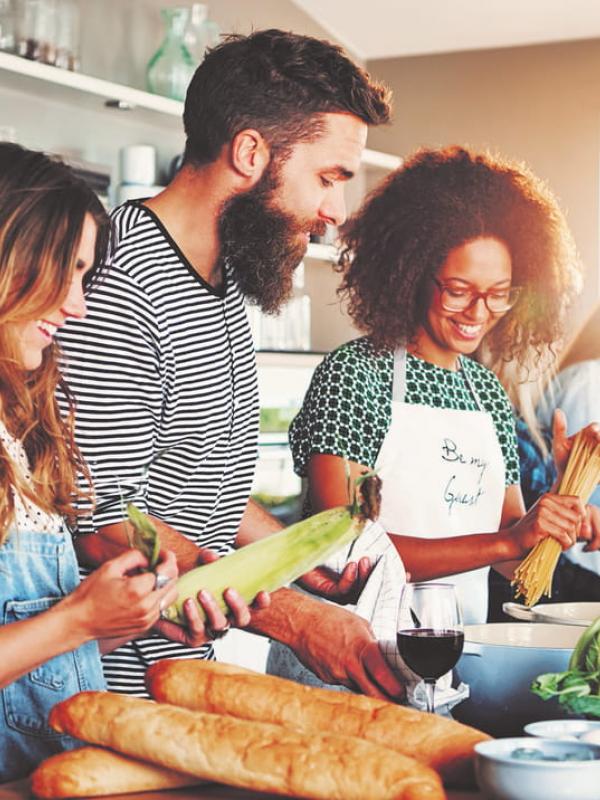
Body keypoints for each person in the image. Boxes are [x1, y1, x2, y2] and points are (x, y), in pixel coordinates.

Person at [57, 29, 403, 701]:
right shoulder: (120, 284)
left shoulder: (219, 283)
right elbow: (102, 519)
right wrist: (296, 619)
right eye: (328, 177)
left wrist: (296, 556)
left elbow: (190, 473)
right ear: (250, 152)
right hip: (101, 692)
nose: (334, 213)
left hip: (177, 679)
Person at [287, 145, 598, 635]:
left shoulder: (486, 393)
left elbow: (513, 565)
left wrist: (559, 512)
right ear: (409, 274)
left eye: (499, 293)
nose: (479, 312)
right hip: (342, 657)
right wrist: (507, 541)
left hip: (451, 655)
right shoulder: (354, 376)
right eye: (458, 289)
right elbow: (341, 554)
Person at [0, 143, 182, 781]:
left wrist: (125, 618)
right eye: (66, 272)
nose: (77, 305)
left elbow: (26, 655)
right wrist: (78, 617)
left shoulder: (20, 433)